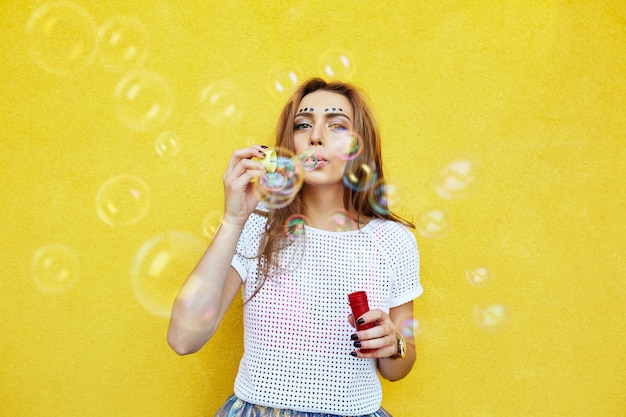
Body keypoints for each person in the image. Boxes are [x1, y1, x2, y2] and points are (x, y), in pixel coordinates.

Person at [167, 77, 423, 417]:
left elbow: (398, 369)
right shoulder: (257, 225)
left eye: (336, 125)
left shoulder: (394, 241)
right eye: (303, 125)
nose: (316, 136)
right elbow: (184, 339)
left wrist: (394, 346)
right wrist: (233, 221)